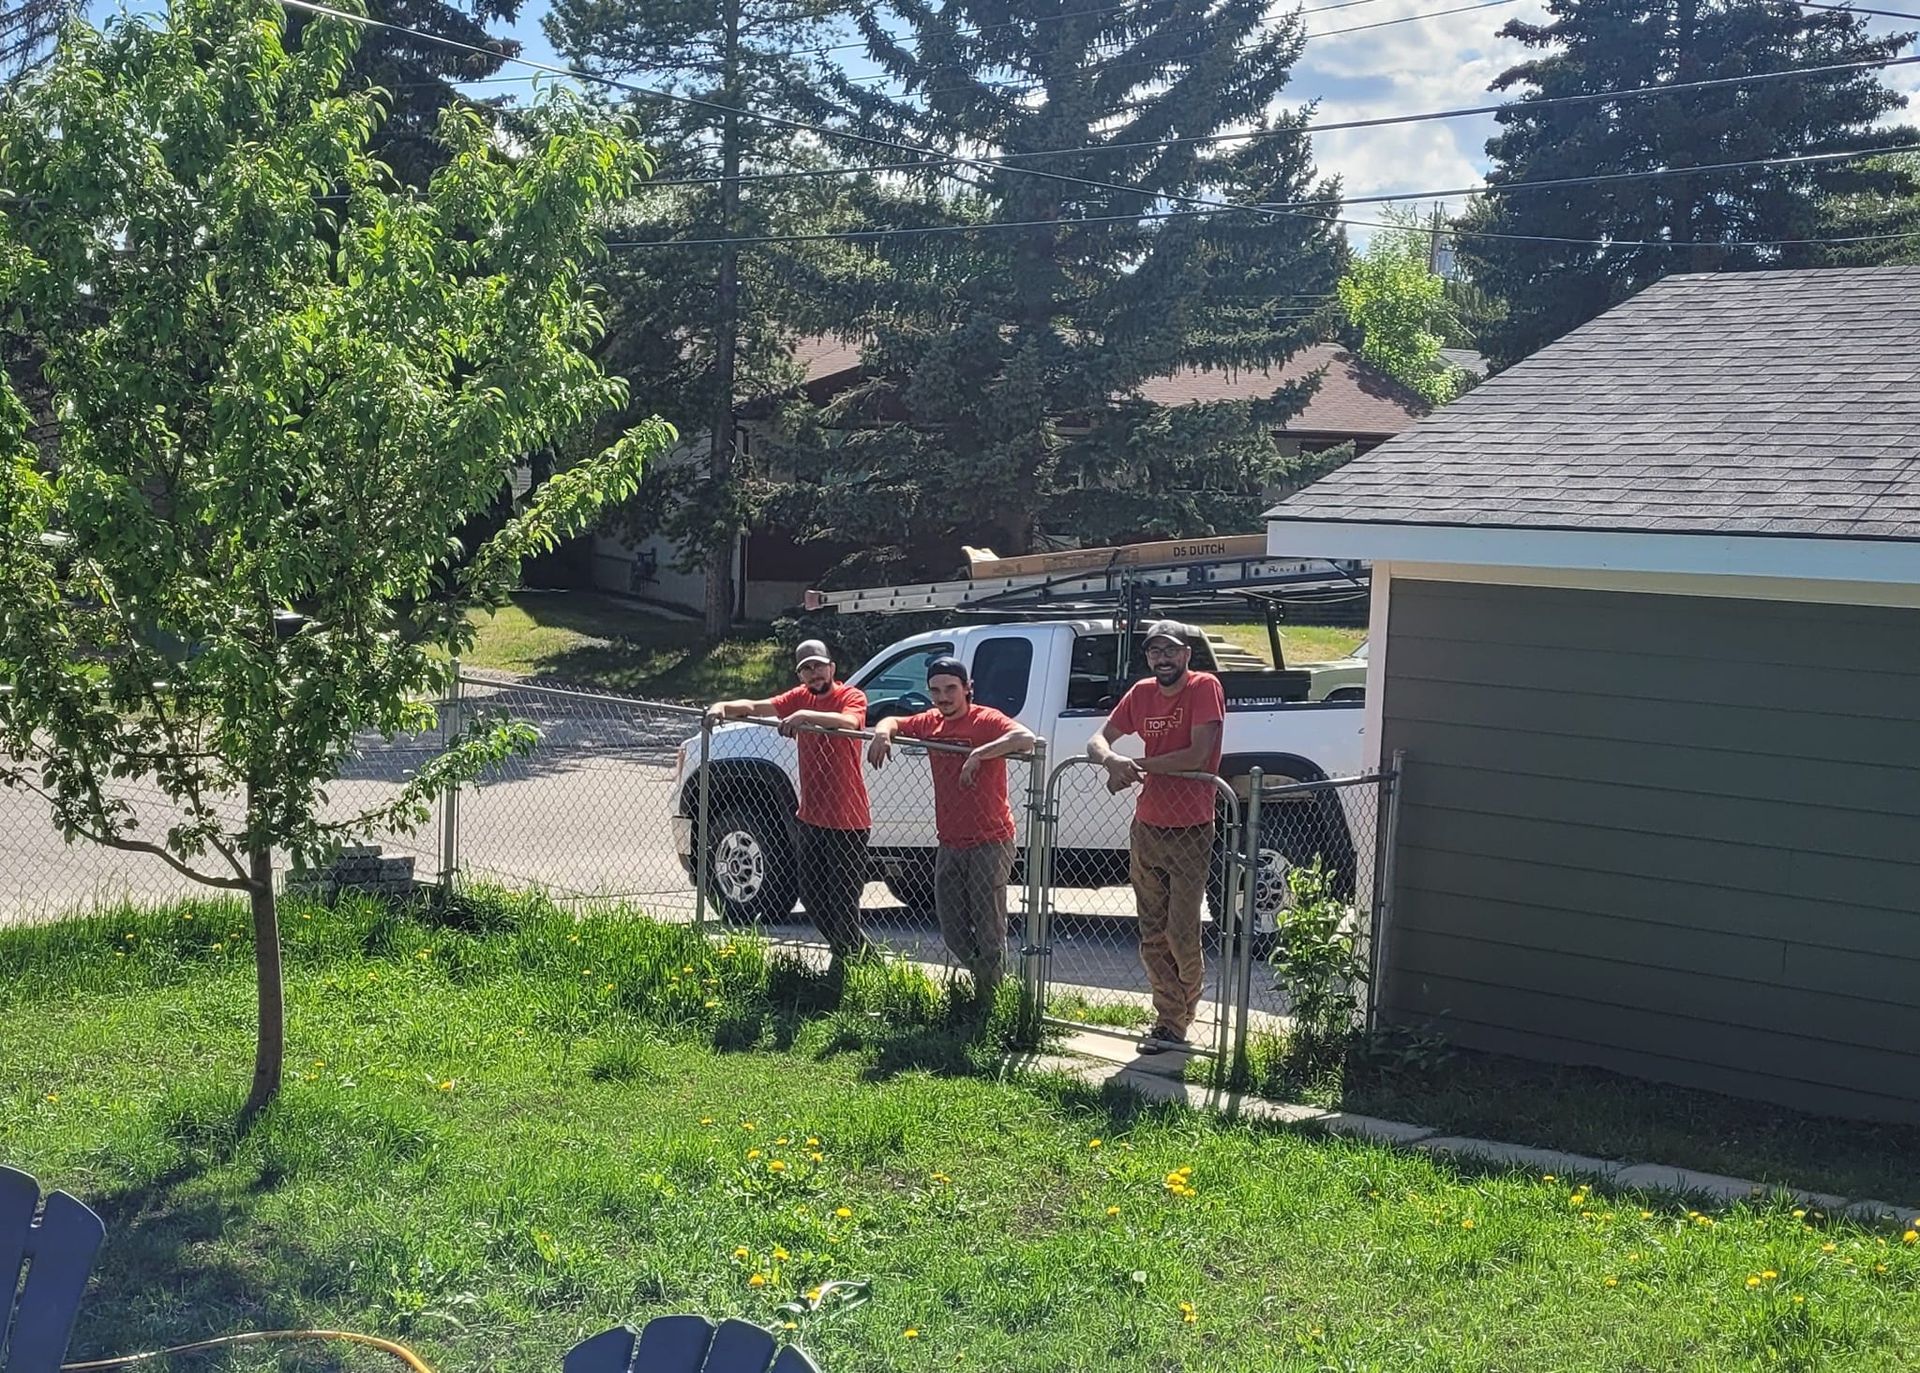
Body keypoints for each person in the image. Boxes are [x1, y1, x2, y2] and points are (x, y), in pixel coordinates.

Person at [1085, 620, 1226, 1054]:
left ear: (1186, 654)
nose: (1162, 659)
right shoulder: (1142, 692)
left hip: (1192, 826)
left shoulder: (1204, 687)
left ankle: (1185, 1003)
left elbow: (1197, 755)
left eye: (1170, 651)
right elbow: (1097, 739)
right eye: (1154, 652)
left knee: (1182, 932)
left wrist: (1137, 766)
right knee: (1151, 934)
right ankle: (1170, 1022)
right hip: (1147, 825)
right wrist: (1111, 760)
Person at [867, 656, 1035, 1002]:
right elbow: (894, 719)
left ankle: (990, 1000)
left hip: (991, 839)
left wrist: (980, 754)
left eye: (951, 689)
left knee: (988, 926)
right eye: (936, 690)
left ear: (967, 689)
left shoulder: (985, 719)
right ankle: (987, 982)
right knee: (953, 929)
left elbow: (1026, 738)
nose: (943, 697)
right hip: (950, 841)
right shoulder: (931, 722)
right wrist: (883, 733)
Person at [706, 639, 871, 965]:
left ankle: (854, 965)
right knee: (812, 896)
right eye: (806, 669)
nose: (814, 673)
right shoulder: (799, 698)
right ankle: (853, 960)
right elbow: (756, 707)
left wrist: (804, 716)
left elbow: (851, 723)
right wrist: (722, 706)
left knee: (843, 902)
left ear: (831, 668)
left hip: (848, 821)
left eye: (818, 666)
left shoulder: (850, 696)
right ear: (800, 675)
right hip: (811, 816)